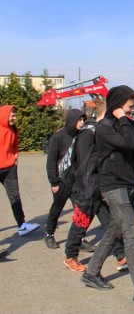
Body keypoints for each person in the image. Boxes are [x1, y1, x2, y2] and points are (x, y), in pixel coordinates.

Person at [81, 85, 134, 305]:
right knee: (131, 233)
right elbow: (131, 143)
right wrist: (123, 120)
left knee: (113, 232)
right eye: (128, 108)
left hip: (126, 184)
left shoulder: (122, 124)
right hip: (112, 186)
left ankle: (91, 273)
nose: (132, 112)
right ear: (117, 105)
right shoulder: (105, 127)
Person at [64, 99, 110, 272]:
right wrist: (91, 187)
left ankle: (122, 256)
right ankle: (70, 256)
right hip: (86, 189)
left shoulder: (100, 132)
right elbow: (85, 166)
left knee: (111, 222)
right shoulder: (88, 134)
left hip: (97, 187)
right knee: (80, 223)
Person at [44, 109, 86, 249]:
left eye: (82, 120)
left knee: (80, 209)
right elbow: (51, 161)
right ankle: (49, 234)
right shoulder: (59, 137)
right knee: (57, 208)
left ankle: (79, 238)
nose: (82, 123)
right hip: (61, 180)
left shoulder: (81, 136)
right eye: (79, 120)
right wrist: (54, 181)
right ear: (72, 120)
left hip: (76, 181)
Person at [0, 105, 40, 236]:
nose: (14, 118)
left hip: (9, 168)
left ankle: (22, 225)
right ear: (5, 115)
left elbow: (15, 145)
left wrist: (15, 156)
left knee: (15, 197)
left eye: (15, 115)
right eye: (12, 115)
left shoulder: (14, 129)